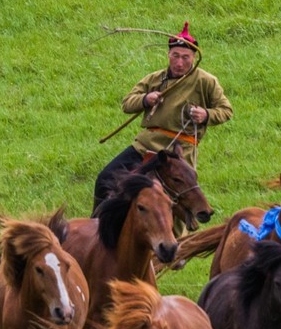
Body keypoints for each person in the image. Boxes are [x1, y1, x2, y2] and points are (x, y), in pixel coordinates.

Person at [93, 22, 233, 212]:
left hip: (179, 151)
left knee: (178, 204)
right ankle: (98, 227)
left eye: (185, 57)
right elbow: (127, 103)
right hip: (146, 146)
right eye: (175, 56)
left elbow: (226, 110)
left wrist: (206, 114)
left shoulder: (205, 81)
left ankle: (179, 241)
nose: (179, 62)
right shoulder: (154, 79)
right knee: (106, 178)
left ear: (193, 57)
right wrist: (145, 99)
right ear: (168, 55)